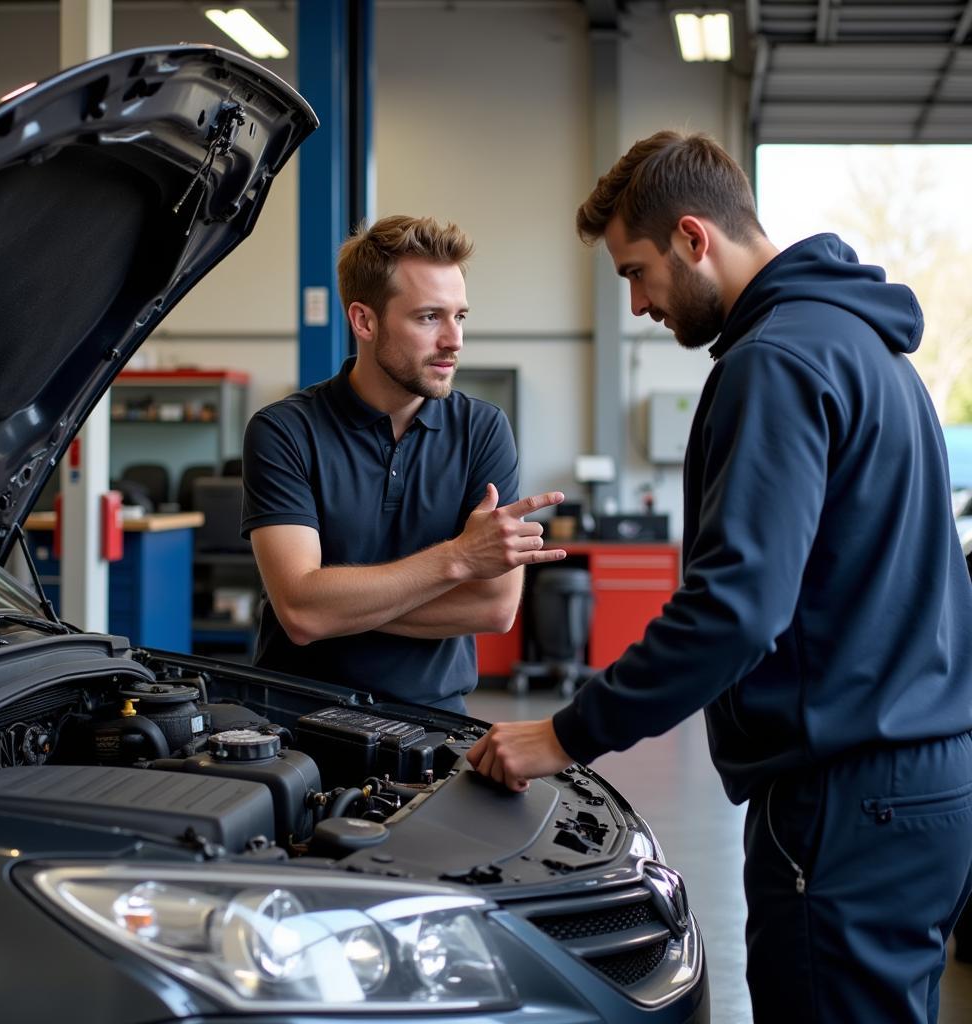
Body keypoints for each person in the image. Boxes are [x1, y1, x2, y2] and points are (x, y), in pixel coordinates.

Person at [468, 131, 972, 1023]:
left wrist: (566, 735)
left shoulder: (774, 361)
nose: (636, 304)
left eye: (636, 271)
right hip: (923, 784)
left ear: (694, 239)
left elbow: (735, 611)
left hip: (842, 798)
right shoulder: (866, 348)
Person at [241, 214, 565, 712]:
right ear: (364, 321)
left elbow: (494, 606)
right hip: (297, 721)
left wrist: (339, 605)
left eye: (460, 316)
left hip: (435, 722)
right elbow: (301, 613)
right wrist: (457, 559)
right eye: (428, 317)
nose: (454, 341)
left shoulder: (483, 431)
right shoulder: (284, 432)